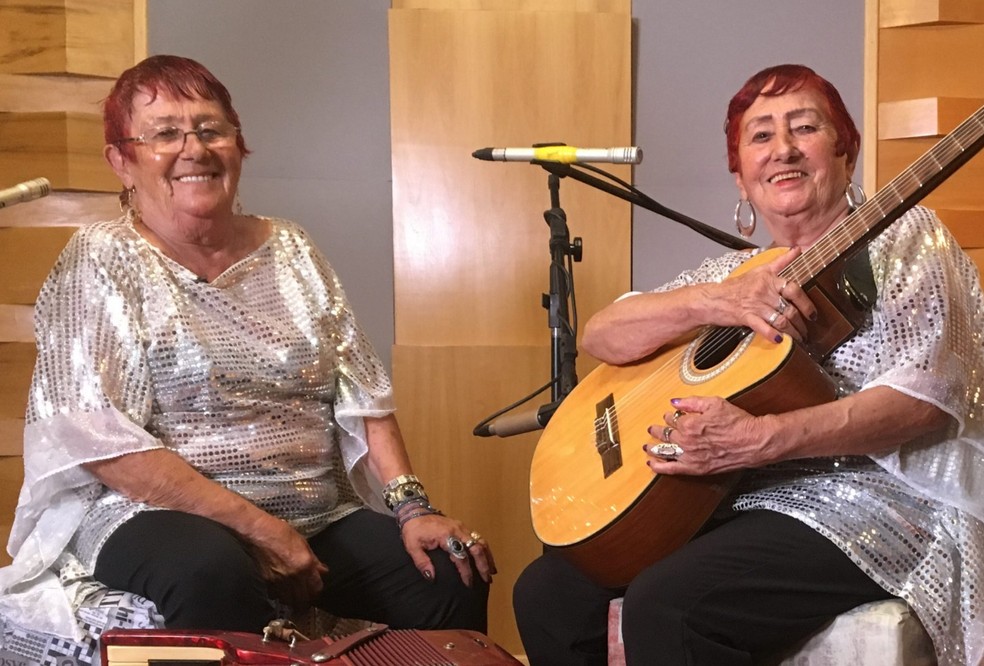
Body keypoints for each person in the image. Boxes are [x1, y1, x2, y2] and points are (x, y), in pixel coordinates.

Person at [0, 54, 494, 640]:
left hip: (315, 509)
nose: (195, 149)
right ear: (122, 161)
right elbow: (103, 445)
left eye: (212, 129)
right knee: (211, 571)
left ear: (238, 146)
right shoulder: (99, 259)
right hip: (152, 513)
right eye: (164, 134)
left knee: (449, 567)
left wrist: (414, 509)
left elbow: (364, 394)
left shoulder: (293, 247)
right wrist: (262, 530)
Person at [513, 64, 984, 666]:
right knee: (547, 593)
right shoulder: (733, 273)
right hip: (744, 499)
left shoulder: (906, 237)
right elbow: (602, 334)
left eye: (805, 127)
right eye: (760, 136)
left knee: (669, 605)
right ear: (740, 178)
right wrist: (717, 300)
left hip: (874, 499)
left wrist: (758, 438)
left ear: (847, 153)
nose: (782, 148)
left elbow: (924, 399)